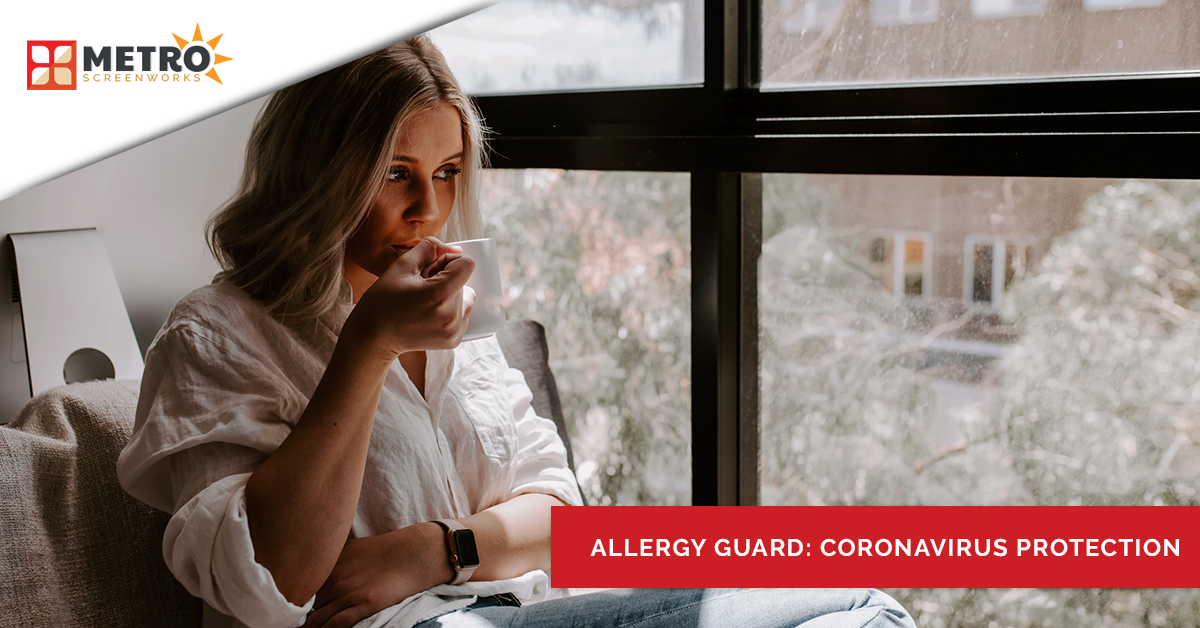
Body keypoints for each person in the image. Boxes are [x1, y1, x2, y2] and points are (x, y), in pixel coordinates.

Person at [116, 35, 915, 628]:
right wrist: (367, 346)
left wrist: (436, 550)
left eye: (447, 173)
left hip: (517, 606)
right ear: (322, 172)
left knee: (858, 613)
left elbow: (562, 518)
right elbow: (271, 582)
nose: (427, 209)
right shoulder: (218, 333)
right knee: (860, 601)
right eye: (396, 173)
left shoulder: (458, 319)